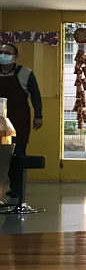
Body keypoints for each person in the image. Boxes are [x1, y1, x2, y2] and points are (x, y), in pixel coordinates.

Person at [0, 42, 43, 201]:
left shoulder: (26, 73)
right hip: (0, 121)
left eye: (7, 53)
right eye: (1, 52)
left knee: (17, 154)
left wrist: (38, 115)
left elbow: (36, 95)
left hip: (19, 121)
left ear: (15, 56)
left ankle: (16, 189)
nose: (3, 55)